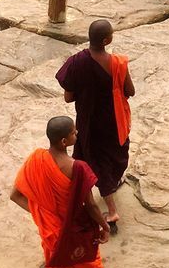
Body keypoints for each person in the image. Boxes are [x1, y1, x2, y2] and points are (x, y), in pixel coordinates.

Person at [11, 116, 110, 268]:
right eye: (74, 132)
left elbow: (15, 195)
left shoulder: (36, 160)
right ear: (64, 142)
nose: (77, 134)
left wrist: (41, 214)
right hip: (76, 229)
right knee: (88, 264)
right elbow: (91, 205)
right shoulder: (78, 168)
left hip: (51, 230)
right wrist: (104, 225)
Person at [55, 20, 134, 232]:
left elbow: (68, 98)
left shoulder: (76, 62)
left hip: (88, 123)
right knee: (112, 160)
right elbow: (131, 91)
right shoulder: (118, 64)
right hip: (113, 122)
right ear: (107, 40)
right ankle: (112, 211)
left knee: (90, 159)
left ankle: (77, 195)